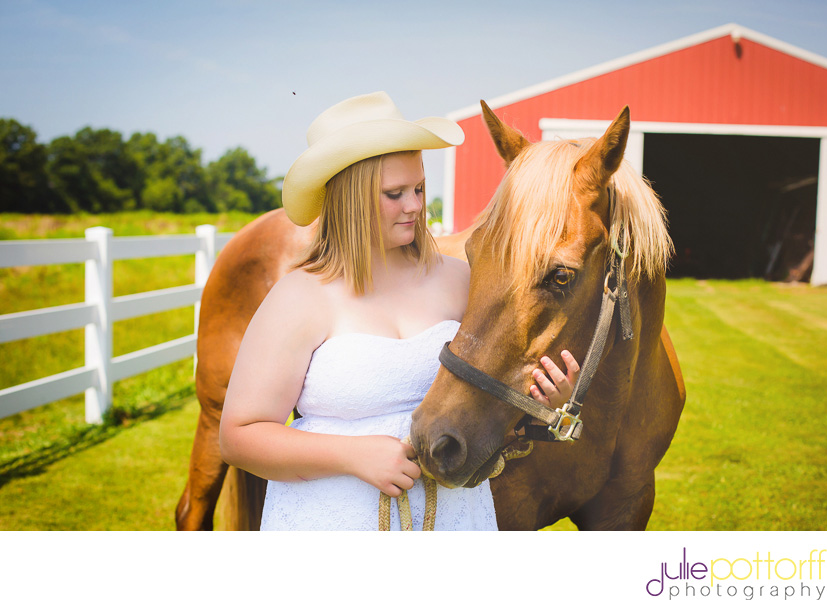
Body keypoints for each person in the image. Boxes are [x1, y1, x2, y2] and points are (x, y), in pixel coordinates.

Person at [218, 91, 580, 530]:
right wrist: (354, 456)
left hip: (454, 523)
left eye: (420, 188)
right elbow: (239, 437)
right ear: (349, 198)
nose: (414, 205)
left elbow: (490, 403)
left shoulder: (461, 281)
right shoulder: (300, 297)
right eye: (395, 193)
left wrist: (545, 404)